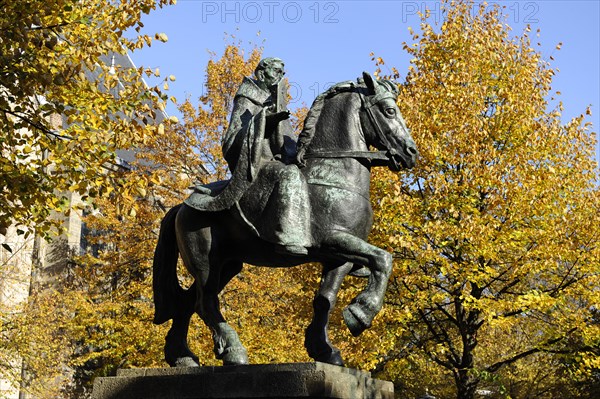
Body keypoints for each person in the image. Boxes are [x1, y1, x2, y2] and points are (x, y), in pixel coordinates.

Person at [221, 58, 310, 256]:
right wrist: (266, 120)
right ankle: (288, 237)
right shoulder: (247, 96)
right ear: (262, 72)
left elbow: (285, 142)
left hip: (276, 160)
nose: (280, 76)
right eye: (276, 71)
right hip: (257, 163)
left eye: (282, 73)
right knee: (289, 176)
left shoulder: (276, 99)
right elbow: (233, 137)